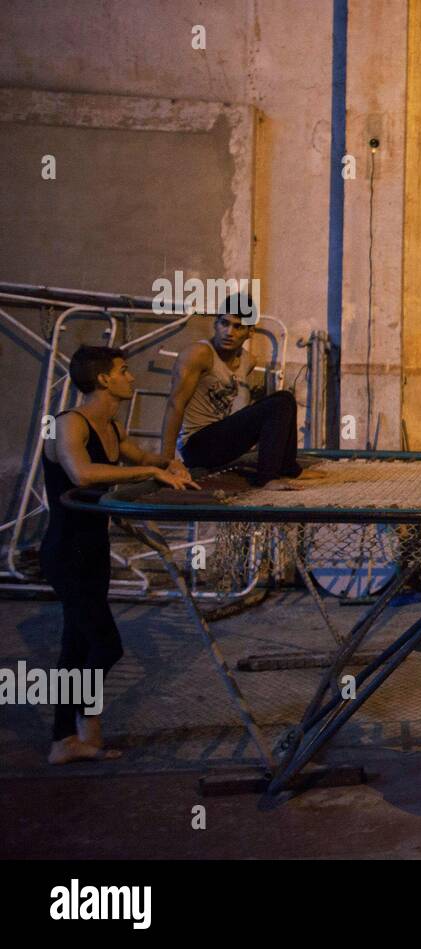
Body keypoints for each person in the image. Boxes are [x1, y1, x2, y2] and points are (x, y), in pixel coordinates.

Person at [41, 346, 197, 764]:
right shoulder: (67, 425)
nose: (132, 378)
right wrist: (148, 472)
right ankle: (87, 726)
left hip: (93, 548)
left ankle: (65, 741)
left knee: (75, 646)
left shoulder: (109, 425)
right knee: (107, 647)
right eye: (124, 371)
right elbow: (83, 474)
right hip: (64, 551)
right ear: (104, 379)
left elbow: (145, 457)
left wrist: (171, 464)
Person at [160, 291, 321, 488]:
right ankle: (267, 478)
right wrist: (167, 462)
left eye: (238, 327)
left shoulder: (248, 361)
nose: (229, 332)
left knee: (285, 399)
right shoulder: (198, 354)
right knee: (279, 402)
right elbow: (175, 405)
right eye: (224, 324)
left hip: (221, 443)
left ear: (250, 332)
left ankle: (288, 468)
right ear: (215, 324)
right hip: (196, 447)